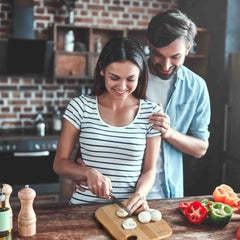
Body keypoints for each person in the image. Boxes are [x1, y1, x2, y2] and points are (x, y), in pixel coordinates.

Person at [53, 37, 161, 214]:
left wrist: (140, 195)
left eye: (130, 79)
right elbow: (59, 163)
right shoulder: (80, 107)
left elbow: (149, 170)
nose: (122, 86)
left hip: (127, 210)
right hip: (83, 209)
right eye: (114, 78)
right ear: (102, 69)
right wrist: (88, 173)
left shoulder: (151, 113)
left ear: (140, 74)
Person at [146, 9, 211, 199]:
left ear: (188, 48)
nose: (166, 65)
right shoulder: (130, 78)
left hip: (167, 194)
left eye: (175, 57)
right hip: (121, 190)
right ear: (149, 44)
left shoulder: (196, 87)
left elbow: (200, 148)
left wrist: (168, 132)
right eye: (158, 55)